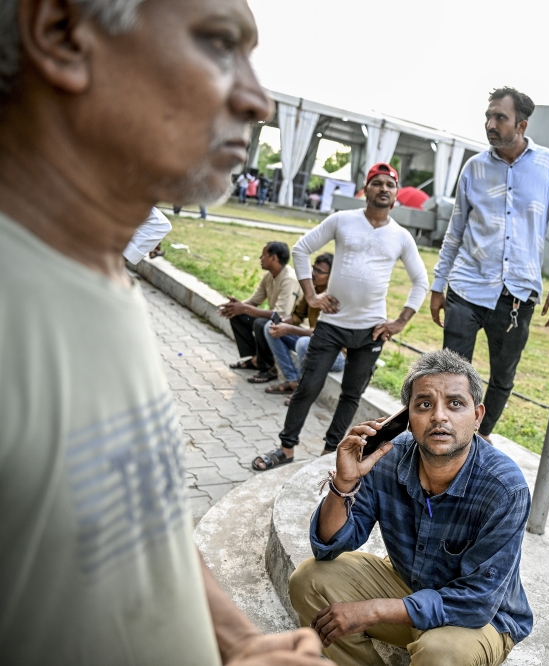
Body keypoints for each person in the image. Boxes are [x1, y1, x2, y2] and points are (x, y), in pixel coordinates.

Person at [0, 0, 325, 663]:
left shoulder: (103, 279)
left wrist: (240, 642)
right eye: (217, 43)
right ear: (62, 34)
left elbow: (141, 520)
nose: (258, 100)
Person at [287, 349, 532, 665]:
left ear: (477, 416)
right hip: (409, 586)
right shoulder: (388, 457)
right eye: (425, 405)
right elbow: (330, 547)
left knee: (441, 653)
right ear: (408, 419)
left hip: (482, 620)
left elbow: (477, 601)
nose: (439, 416)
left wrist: (374, 609)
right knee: (308, 581)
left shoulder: (504, 488)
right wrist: (343, 485)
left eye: (455, 404)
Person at [252, 162, 429, 470]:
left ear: (396, 194)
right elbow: (301, 249)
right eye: (378, 183)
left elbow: (421, 281)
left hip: (371, 331)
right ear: (366, 189)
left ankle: (329, 454)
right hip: (332, 325)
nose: (383, 189)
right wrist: (310, 295)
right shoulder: (343, 220)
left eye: (389, 184)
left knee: (351, 395)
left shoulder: (401, 236)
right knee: (308, 387)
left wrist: (399, 322)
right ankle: (286, 449)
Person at [430, 87, 549, 440]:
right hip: (466, 288)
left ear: (521, 124)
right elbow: (455, 231)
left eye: (500, 118)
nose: (490, 124)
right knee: (451, 374)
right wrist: (438, 285)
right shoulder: (474, 168)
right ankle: (446, 438)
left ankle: (479, 439)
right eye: (488, 116)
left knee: (503, 377)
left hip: (516, 297)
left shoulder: (548, 165)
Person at [263, 252, 345, 396]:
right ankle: (292, 380)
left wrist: (288, 329)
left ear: (332, 276)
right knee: (270, 327)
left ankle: (303, 392)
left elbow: (321, 333)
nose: (313, 273)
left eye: (319, 271)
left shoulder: (335, 298)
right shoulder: (312, 291)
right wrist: (282, 323)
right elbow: (297, 316)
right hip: (315, 344)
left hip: (336, 355)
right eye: (314, 268)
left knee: (304, 343)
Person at [220, 241, 299, 383]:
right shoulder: (269, 276)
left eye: (263, 255)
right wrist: (235, 307)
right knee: (238, 317)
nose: (260, 258)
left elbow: (280, 315)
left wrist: (244, 308)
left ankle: (268, 367)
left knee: (261, 323)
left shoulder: (289, 279)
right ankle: (256, 359)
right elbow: (254, 301)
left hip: (291, 326)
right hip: (275, 319)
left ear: (274, 258)